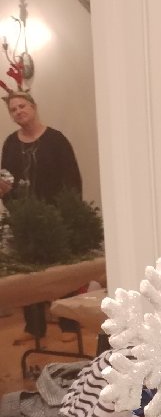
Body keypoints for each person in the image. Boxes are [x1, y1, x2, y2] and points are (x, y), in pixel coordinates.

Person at [0, 91, 83, 340]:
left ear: (33, 107)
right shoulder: (10, 143)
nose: (18, 111)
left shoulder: (56, 140)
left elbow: (71, 178)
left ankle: (69, 325)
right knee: (29, 276)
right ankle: (34, 328)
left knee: (61, 273)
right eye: (13, 109)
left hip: (55, 217)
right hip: (24, 218)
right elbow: (5, 178)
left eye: (22, 106)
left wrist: (67, 212)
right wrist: (9, 200)